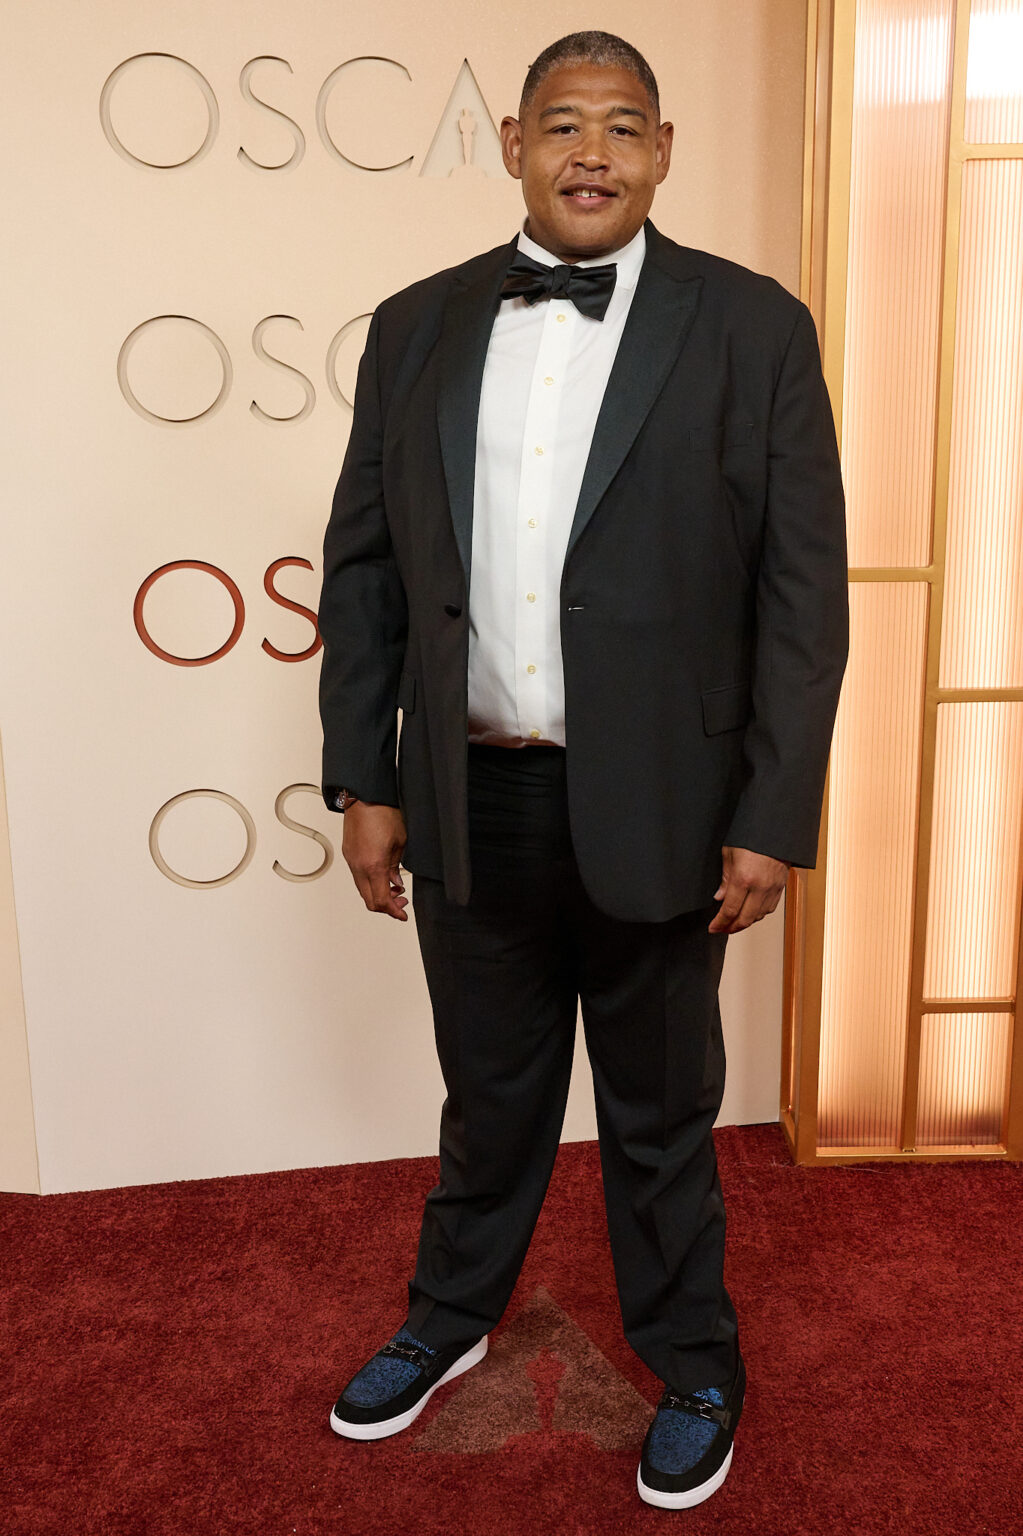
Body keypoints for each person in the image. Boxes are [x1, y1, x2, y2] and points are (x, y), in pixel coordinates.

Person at [317, 30, 847, 1510]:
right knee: (486, 1099)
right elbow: (364, 569)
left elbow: (807, 596)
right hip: (469, 796)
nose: (593, 151)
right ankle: (449, 1318)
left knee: (664, 1113)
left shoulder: (754, 328)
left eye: (623, 126)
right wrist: (365, 775)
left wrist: (774, 809)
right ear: (512, 143)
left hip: (669, 806)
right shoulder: (414, 325)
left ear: (665, 150)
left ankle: (692, 1361)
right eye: (564, 124)